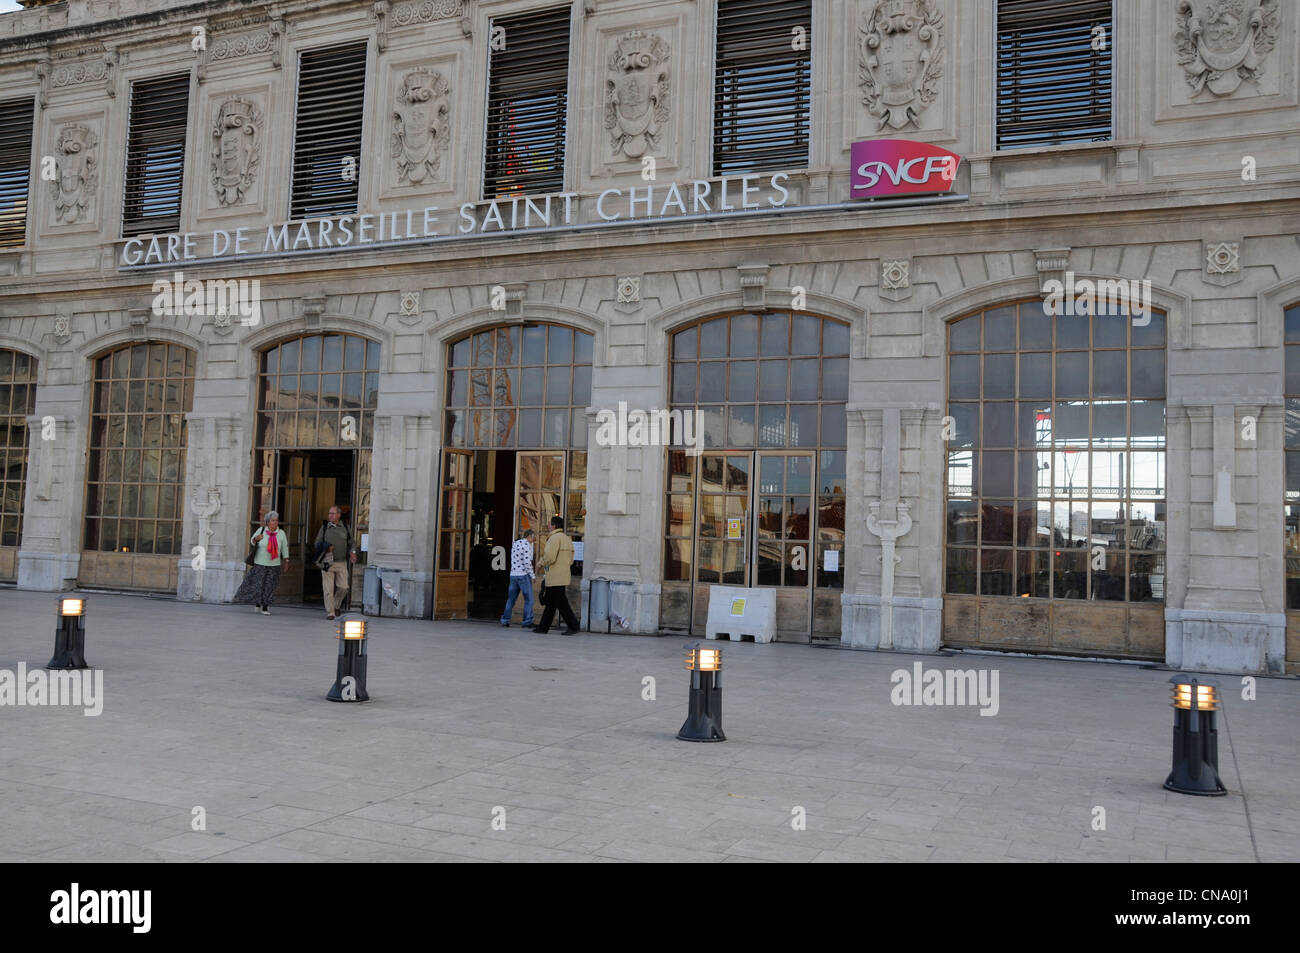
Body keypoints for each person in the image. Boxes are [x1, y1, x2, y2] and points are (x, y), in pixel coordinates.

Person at [234, 511, 289, 615]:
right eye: (273, 520)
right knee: (258, 585)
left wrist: (286, 561)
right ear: (268, 522)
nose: (275, 522)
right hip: (260, 563)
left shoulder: (281, 533)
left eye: (276, 520)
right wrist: (255, 538)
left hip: (274, 564)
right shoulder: (262, 530)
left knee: (269, 586)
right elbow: (252, 541)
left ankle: (265, 607)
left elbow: (284, 548)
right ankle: (257, 603)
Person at [532, 516, 579, 635]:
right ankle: (543, 627)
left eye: (549, 524)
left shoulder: (554, 538)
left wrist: (539, 564)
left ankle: (573, 625)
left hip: (554, 576)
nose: (548, 526)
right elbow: (571, 559)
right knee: (551, 603)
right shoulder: (567, 538)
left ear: (553, 526)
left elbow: (549, 557)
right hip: (563, 575)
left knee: (560, 603)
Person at [314, 505, 357, 621]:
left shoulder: (345, 527)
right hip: (327, 561)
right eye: (329, 514)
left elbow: (352, 543)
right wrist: (326, 547)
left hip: (341, 562)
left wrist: (352, 552)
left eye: (333, 514)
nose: (330, 516)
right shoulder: (324, 527)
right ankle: (331, 612)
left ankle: (336, 605)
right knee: (328, 589)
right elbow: (317, 543)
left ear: (339, 515)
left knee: (344, 587)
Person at [499, 528, 536, 628]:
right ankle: (527, 621)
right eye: (533, 538)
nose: (533, 540)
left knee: (511, 599)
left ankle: (505, 620)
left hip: (513, 575)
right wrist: (532, 575)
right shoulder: (526, 545)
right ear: (529, 537)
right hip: (523, 575)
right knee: (529, 599)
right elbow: (527, 562)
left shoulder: (515, 543)